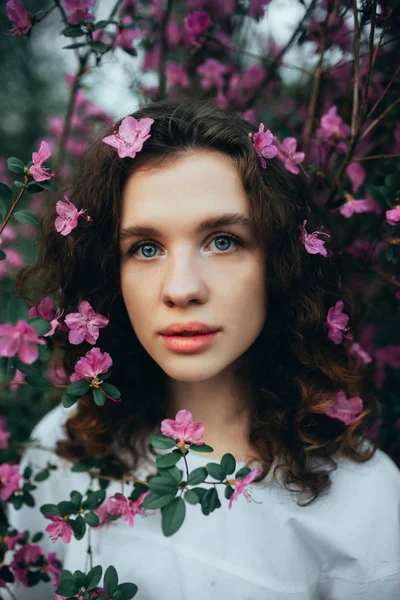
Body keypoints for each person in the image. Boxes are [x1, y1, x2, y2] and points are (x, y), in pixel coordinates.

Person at [6, 98, 400, 599]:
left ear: (277, 262)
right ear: (111, 273)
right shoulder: (61, 449)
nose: (182, 289)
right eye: (146, 248)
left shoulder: (366, 506)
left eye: (222, 240)